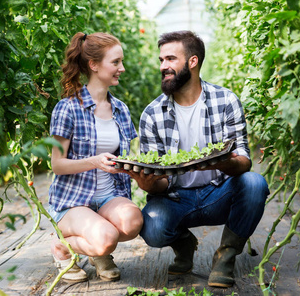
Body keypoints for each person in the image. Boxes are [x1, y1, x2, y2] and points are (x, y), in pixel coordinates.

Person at [129, 30, 270, 288]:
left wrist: (220, 161)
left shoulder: (226, 101)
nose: (163, 66)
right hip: (177, 199)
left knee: (254, 184)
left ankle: (226, 255)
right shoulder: (152, 114)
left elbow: (244, 161)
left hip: (218, 193)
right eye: (161, 60)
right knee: (151, 228)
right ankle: (183, 244)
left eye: (170, 59)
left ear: (192, 62)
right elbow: (159, 181)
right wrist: (147, 184)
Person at [47, 32, 143, 283]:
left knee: (133, 222)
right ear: (94, 65)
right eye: (116, 62)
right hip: (74, 201)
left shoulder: (120, 109)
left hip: (107, 196)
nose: (122, 68)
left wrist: (140, 167)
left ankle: (98, 241)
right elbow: (56, 165)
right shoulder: (67, 108)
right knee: (106, 240)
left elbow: (125, 158)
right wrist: (94, 161)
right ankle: (62, 247)